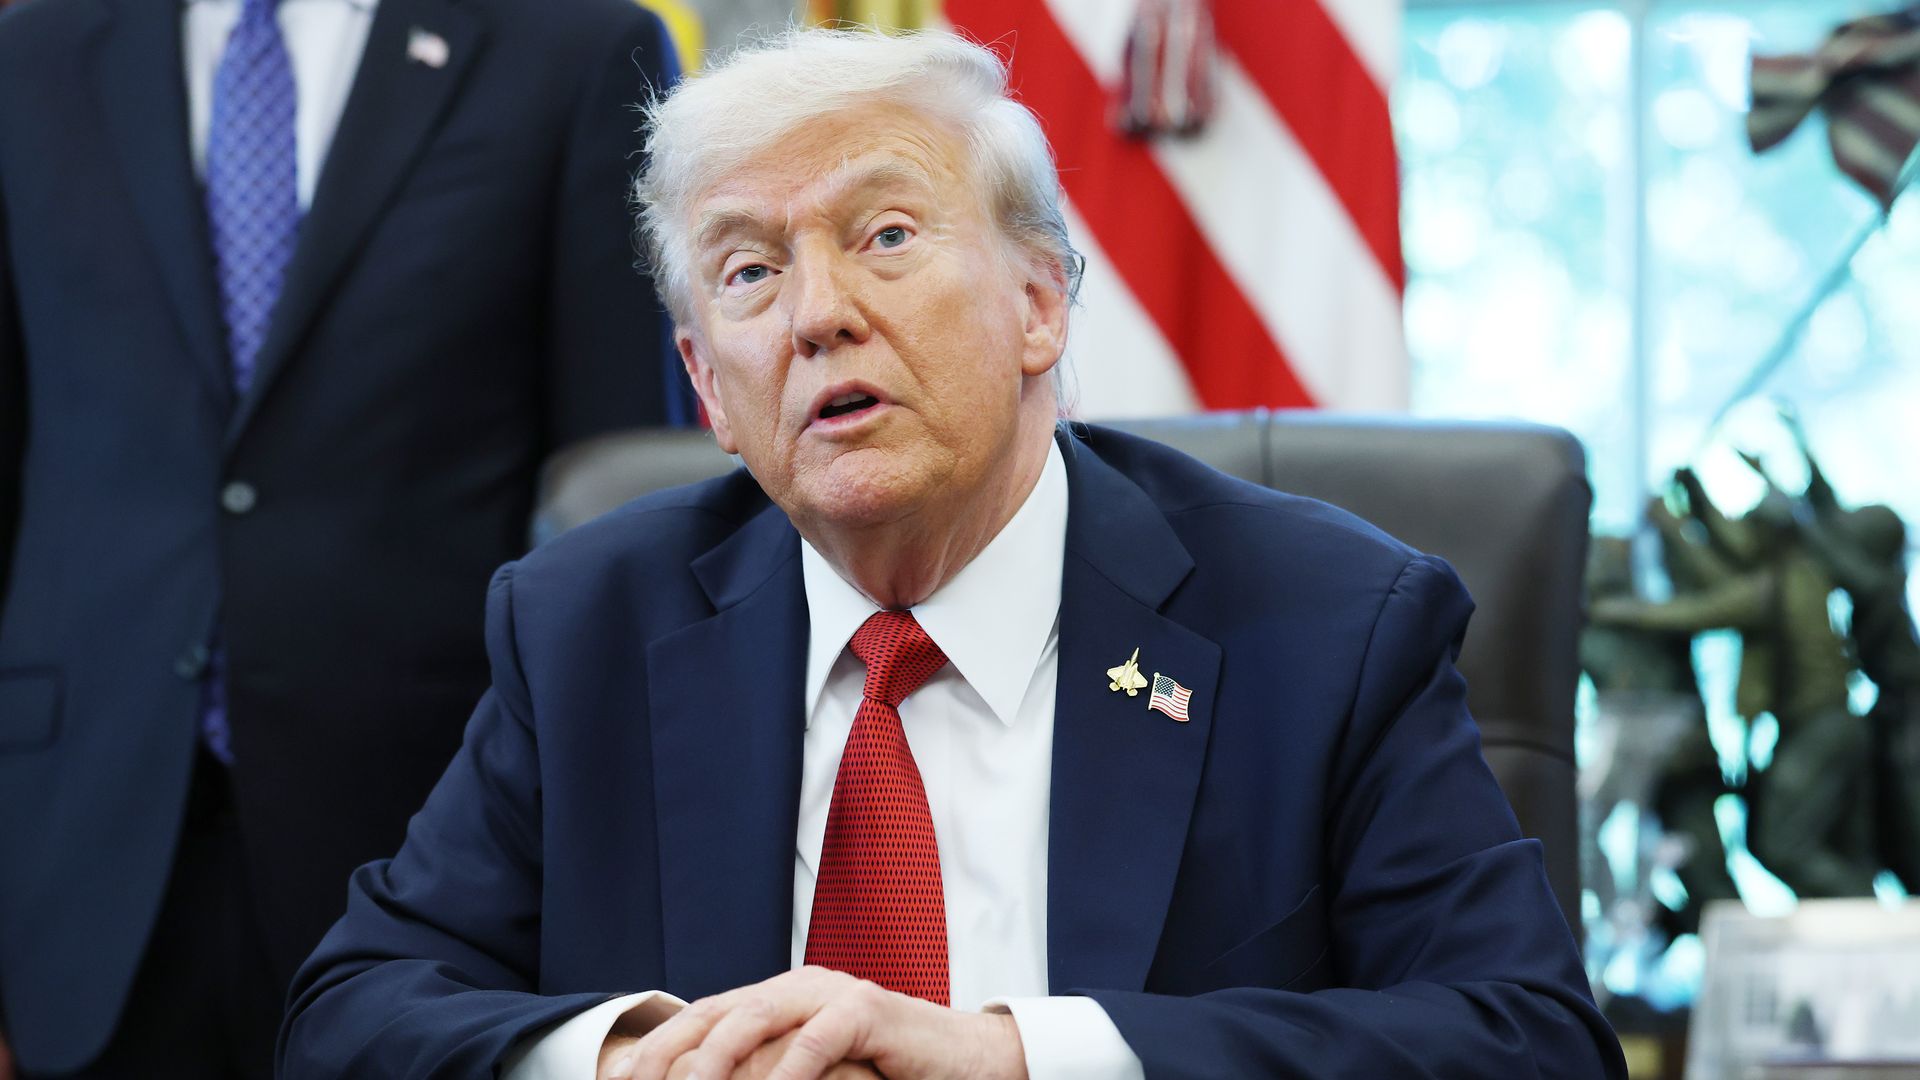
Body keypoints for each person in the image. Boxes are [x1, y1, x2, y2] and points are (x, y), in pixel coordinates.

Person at [280, 27, 1625, 1080]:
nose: (817, 315)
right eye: (748, 272)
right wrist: (632, 1057)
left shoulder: (1327, 623)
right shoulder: (585, 625)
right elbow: (351, 1014)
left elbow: (1529, 1040)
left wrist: (1018, 1058)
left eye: (886, 236)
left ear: (1040, 303)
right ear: (708, 387)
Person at [0, 0, 678, 1074]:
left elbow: (621, 497)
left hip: (433, 852)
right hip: (78, 839)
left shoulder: (574, 49)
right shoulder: (29, 54)